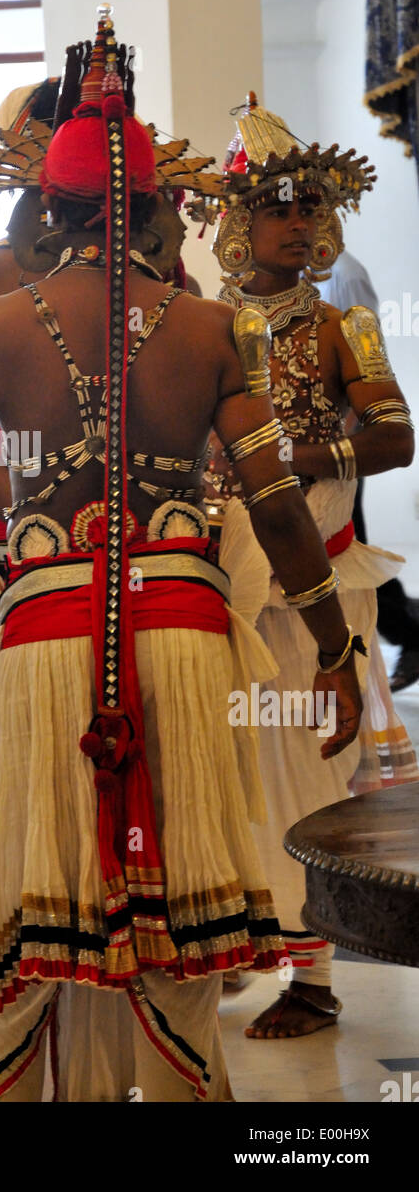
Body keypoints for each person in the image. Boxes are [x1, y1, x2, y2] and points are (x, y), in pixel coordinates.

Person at [0, 9, 363, 1102]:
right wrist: (331, 647)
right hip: (185, 641)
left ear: (47, 207)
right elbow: (277, 509)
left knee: (38, 893)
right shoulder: (203, 328)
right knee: (178, 906)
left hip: (43, 642)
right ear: (152, 210)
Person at [207, 93, 417, 1039]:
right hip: (215, 587)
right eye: (276, 207)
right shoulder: (195, 327)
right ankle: (238, 937)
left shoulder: (344, 327)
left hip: (318, 592)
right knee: (223, 768)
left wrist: (295, 459)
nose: (297, 223)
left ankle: (315, 976)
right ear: (234, 221)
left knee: (306, 772)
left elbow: (395, 436)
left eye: (308, 206)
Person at [318, 251, 419, 693]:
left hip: (337, 448)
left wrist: (345, 443)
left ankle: (407, 632)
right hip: (305, 448)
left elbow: (366, 355)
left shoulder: (345, 273)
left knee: (342, 545)